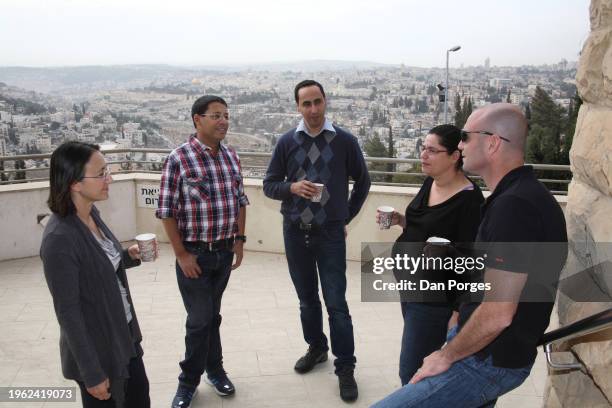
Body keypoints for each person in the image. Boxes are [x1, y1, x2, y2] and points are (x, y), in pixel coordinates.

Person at [371, 103, 567, 408]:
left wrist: (446, 354)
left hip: (487, 359)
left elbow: (499, 312)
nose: (460, 146)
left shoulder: (514, 206)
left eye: (465, 137)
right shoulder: (519, 196)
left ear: (492, 142)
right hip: (483, 347)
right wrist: (461, 315)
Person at [263, 80, 371, 402]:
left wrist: (344, 216)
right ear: (297, 106)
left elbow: (363, 182)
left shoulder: (345, 141)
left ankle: (346, 368)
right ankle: (317, 348)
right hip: (296, 233)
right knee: (307, 299)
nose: (313, 109)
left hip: (330, 235)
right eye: (306, 103)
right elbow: (269, 185)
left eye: (317, 102)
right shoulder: (286, 142)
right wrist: (291, 188)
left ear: (326, 102)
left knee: (337, 304)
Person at [40, 141, 150, 408]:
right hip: (99, 353)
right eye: (101, 173)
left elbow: (95, 268)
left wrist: (127, 256)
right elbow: (68, 313)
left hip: (124, 338)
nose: (109, 178)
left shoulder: (91, 214)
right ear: (75, 183)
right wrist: (91, 373)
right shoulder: (59, 239)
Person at [156, 95, 249, 408]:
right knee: (200, 320)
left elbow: (239, 201)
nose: (223, 121)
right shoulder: (178, 159)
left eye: (226, 115)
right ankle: (188, 382)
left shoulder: (231, 156)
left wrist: (239, 239)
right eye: (216, 115)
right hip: (194, 255)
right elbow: (166, 211)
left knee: (211, 316)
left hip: (223, 253)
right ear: (197, 120)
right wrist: (181, 254)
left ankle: (215, 369)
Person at [377, 124, 484, 386]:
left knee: (412, 370)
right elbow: (422, 226)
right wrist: (400, 219)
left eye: (432, 150)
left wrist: (459, 313)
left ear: (454, 156)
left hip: (435, 299)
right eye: (423, 148)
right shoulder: (431, 182)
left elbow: (473, 262)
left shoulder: (469, 202)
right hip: (411, 288)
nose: (423, 155)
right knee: (420, 361)